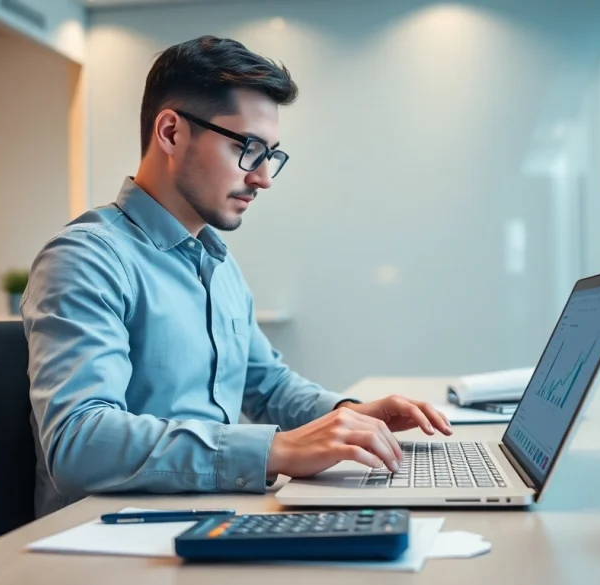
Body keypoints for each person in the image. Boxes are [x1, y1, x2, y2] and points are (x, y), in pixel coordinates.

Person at [23, 35, 452, 518]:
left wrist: (348, 413)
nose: (263, 177)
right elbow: (79, 443)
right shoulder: (87, 258)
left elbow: (265, 386)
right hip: (106, 535)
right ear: (170, 132)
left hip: (214, 512)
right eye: (248, 148)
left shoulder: (217, 261)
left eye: (271, 154)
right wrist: (275, 450)